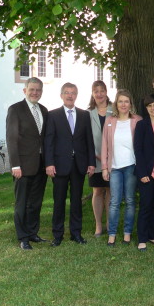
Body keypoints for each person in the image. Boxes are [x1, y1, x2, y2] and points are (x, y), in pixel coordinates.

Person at [45, 83, 96, 246]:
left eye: (73, 93)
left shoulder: (84, 115)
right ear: (61, 95)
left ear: (76, 95)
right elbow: (49, 142)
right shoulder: (53, 115)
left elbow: (89, 141)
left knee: (76, 201)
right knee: (58, 201)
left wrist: (91, 163)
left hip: (79, 165)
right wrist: (49, 163)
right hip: (59, 165)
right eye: (67, 93)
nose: (70, 96)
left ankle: (76, 233)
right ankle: (58, 235)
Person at [6, 77, 49, 250]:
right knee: (22, 203)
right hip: (22, 166)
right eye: (32, 89)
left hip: (40, 164)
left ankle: (33, 233)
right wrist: (15, 165)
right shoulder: (15, 109)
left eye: (38, 90)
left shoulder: (44, 110)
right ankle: (23, 237)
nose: (35, 92)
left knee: (36, 202)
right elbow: (12, 138)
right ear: (25, 91)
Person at [101, 89, 142, 247]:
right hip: (115, 167)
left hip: (131, 166)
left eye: (126, 101)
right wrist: (104, 167)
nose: (123, 104)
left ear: (130, 103)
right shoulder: (110, 121)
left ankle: (127, 233)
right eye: (120, 101)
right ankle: (111, 234)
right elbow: (104, 144)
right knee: (114, 202)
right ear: (116, 104)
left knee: (131, 201)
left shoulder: (137, 120)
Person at [134, 94, 154, 251]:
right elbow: (137, 151)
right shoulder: (141, 125)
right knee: (145, 205)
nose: (153, 108)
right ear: (146, 108)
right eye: (150, 106)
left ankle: (152, 235)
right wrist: (141, 173)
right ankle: (142, 238)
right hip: (147, 173)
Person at [87, 80, 113, 237]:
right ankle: (98, 225)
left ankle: (110, 223)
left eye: (102, 90)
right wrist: (95, 155)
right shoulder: (87, 113)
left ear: (106, 92)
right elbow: (85, 138)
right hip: (95, 159)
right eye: (96, 91)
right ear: (92, 93)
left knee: (111, 190)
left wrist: (109, 155)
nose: (99, 94)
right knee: (97, 191)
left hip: (113, 159)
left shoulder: (114, 111)